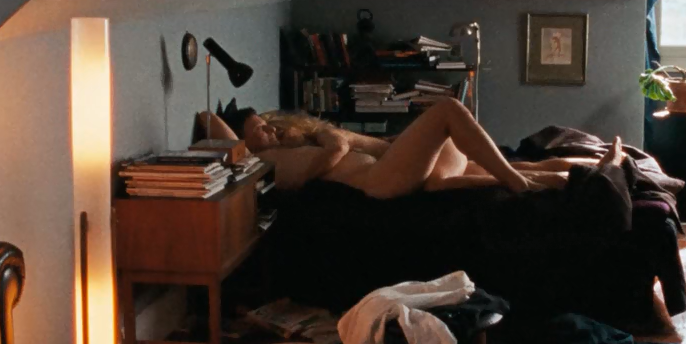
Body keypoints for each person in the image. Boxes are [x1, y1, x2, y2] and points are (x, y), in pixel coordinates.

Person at [239, 98, 621, 198]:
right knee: (448, 110)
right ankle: (521, 182)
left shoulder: (300, 143)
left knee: (506, 166)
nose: (270, 130)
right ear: (242, 143)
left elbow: (360, 145)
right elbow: (212, 121)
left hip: (392, 167)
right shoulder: (266, 162)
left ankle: (591, 169)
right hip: (381, 180)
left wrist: (402, 141)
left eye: (270, 124)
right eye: (260, 130)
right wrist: (332, 141)